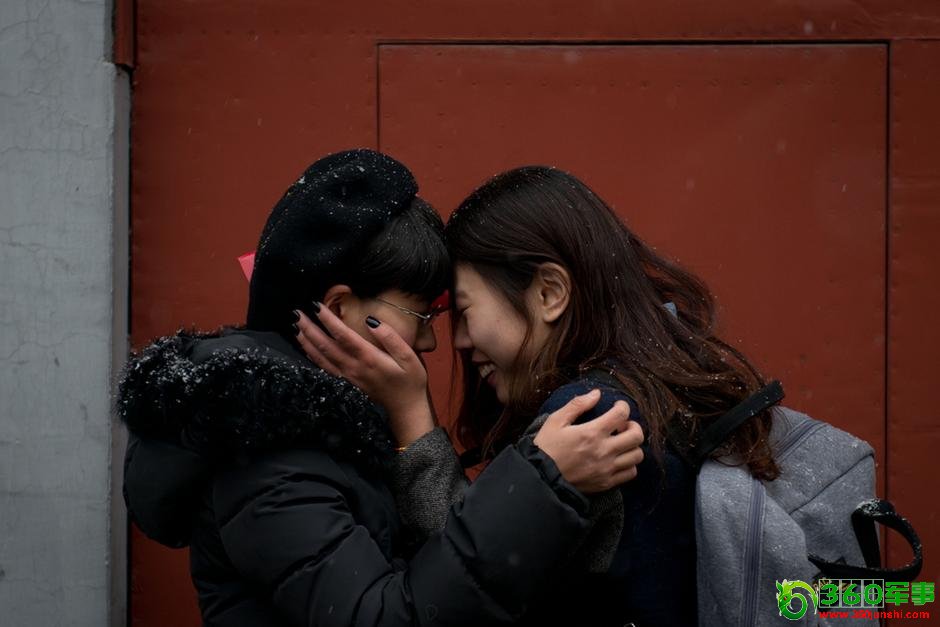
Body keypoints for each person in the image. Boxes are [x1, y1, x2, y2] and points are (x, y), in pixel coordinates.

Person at [118, 150, 645, 627]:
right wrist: (541, 481)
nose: (432, 341)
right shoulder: (267, 458)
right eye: (422, 315)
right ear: (340, 310)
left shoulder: (315, 432)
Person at [297, 165, 782, 626]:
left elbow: (465, 575)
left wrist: (410, 414)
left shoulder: (591, 417)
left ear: (549, 293)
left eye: (464, 311)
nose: (457, 341)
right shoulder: (644, 387)